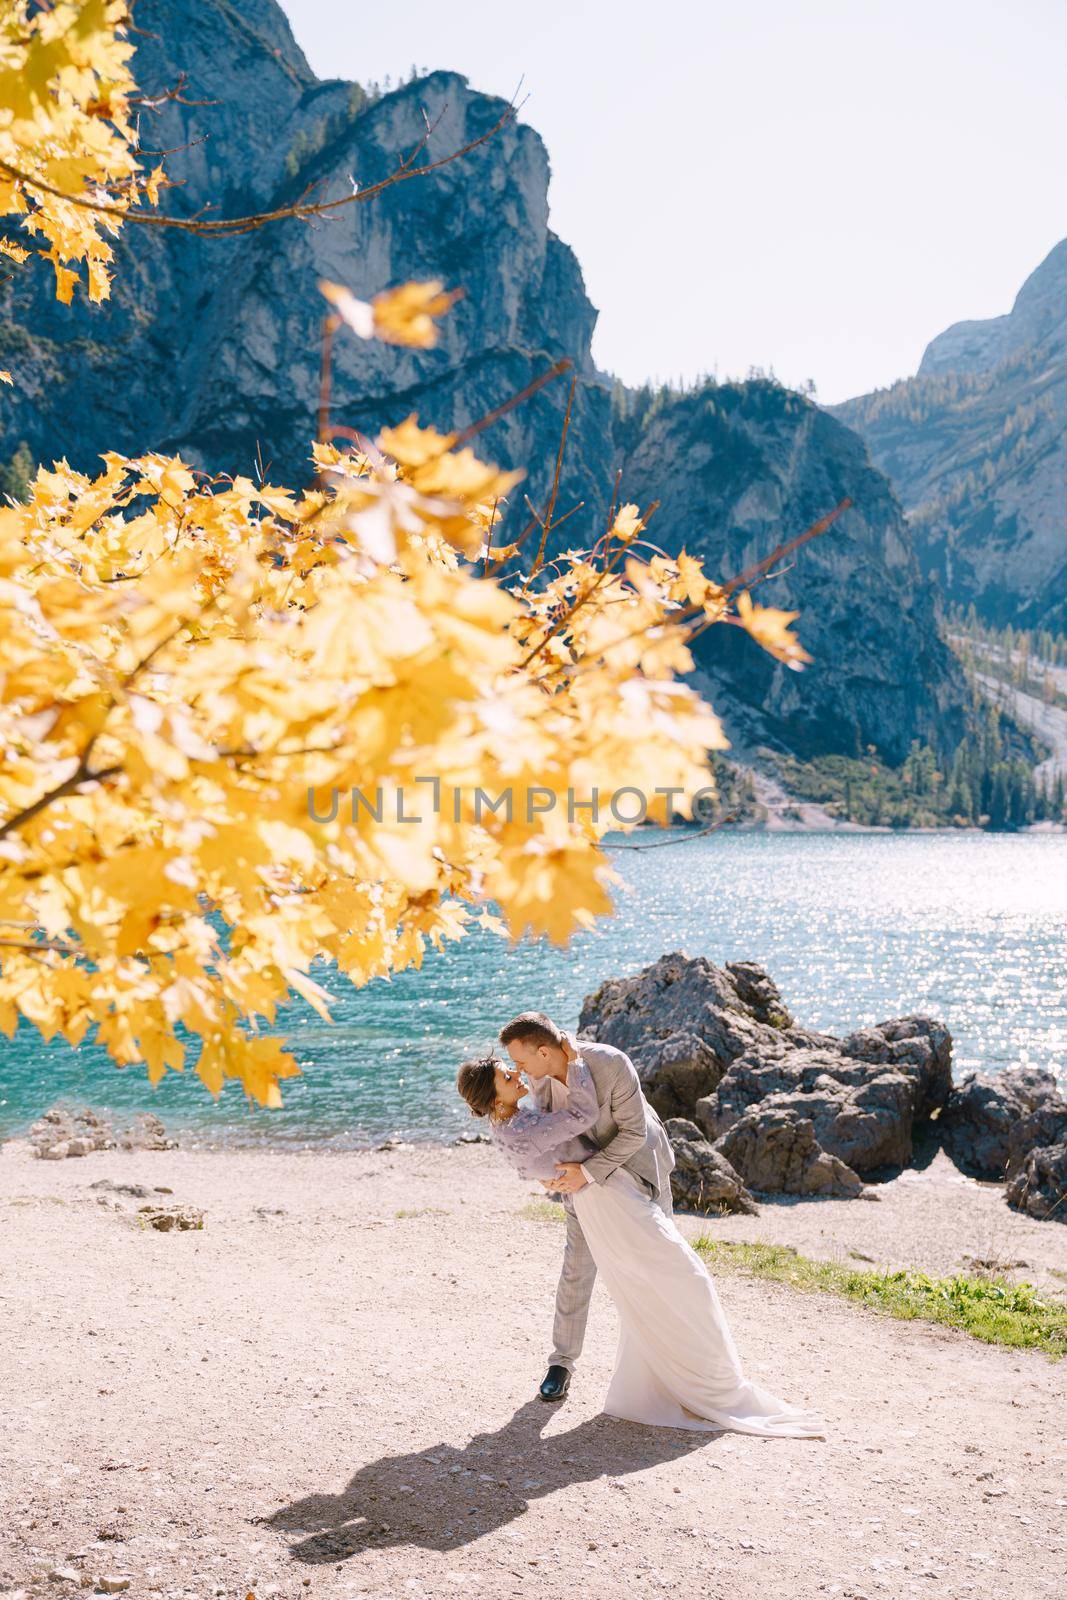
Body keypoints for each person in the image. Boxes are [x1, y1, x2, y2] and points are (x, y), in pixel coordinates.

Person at [456, 1028, 826, 1439]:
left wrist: (571, 1168)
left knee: (662, 1272)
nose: (518, 1071)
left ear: (544, 1051)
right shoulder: (535, 1083)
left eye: (519, 1063)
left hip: (639, 1170)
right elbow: (553, 1134)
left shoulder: (607, 1062)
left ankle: (681, 1374)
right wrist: (557, 1174)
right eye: (510, 1071)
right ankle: (561, 1363)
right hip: (590, 1194)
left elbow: (630, 1132)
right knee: (582, 1270)